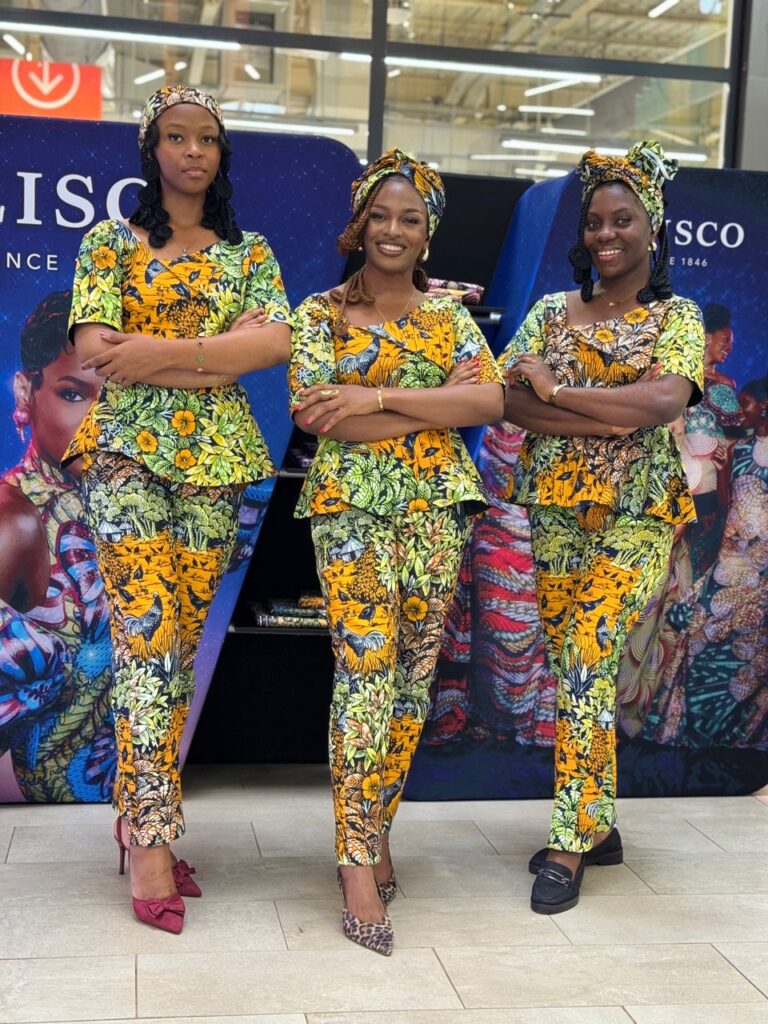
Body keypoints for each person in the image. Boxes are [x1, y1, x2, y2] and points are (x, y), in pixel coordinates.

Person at [64, 85, 291, 934]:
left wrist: (156, 349)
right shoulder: (107, 243)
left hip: (217, 466)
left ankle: (139, 814)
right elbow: (96, 352)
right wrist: (215, 353)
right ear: (151, 149)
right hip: (125, 456)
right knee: (147, 641)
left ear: (221, 154)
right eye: (176, 136)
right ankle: (153, 844)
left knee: (179, 649)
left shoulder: (250, 251)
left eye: (207, 138)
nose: (193, 151)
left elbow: (274, 345)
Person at [288, 148, 504, 954]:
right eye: (379, 214)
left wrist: (374, 396)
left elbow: (488, 399)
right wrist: (433, 406)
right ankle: (353, 861)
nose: (392, 229)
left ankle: (378, 827)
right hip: (349, 510)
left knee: (412, 683)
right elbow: (317, 415)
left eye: (409, 218)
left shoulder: (450, 317)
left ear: (427, 233)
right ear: (358, 223)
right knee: (364, 674)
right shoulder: (317, 314)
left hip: (437, 510)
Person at [498, 141, 705, 914]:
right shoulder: (552, 311)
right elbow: (507, 399)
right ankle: (600, 824)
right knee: (573, 667)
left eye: (623, 220)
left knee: (587, 652)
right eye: (595, 222)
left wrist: (560, 392)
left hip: (640, 513)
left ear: (653, 228)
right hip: (556, 509)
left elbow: (663, 402)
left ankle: (569, 842)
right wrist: (607, 412)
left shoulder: (676, 317)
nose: (606, 234)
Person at [0, 290, 113, 802]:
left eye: (116, 400)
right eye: (74, 394)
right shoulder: (15, 520)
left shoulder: (129, 504)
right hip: (64, 822)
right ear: (26, 392)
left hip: (139, 802)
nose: (99, 425)